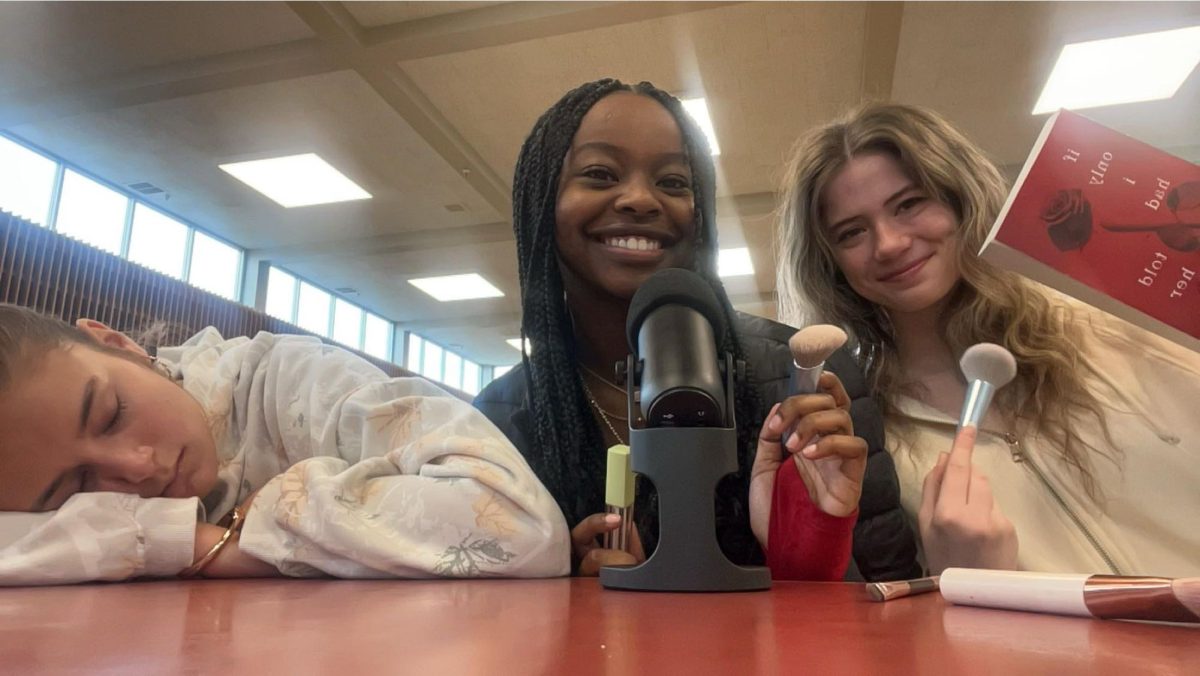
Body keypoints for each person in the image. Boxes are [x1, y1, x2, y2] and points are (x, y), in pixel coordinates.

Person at [473, 78, 920, 581]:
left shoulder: (802, 377)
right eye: (599, 174)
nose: (641, 199)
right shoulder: (494, 423)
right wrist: (555, 585)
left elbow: (893, 584)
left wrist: (808, 552)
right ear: (541, 206)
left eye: (673, 182)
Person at [774, 102, 1200, 577]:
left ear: (961, 198)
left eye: (910, 204)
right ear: (831, 264)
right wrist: (962, 587)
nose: (889, 243)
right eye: (852, 232)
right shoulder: (870, 436)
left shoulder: (1110, 326)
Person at [0, 304, 569, 584]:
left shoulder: (292, 381)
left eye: (110, 414)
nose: (137, 467)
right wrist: (173, 539)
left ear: (117, 344)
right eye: (76, 487)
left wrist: (215, 542)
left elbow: (520, 526)